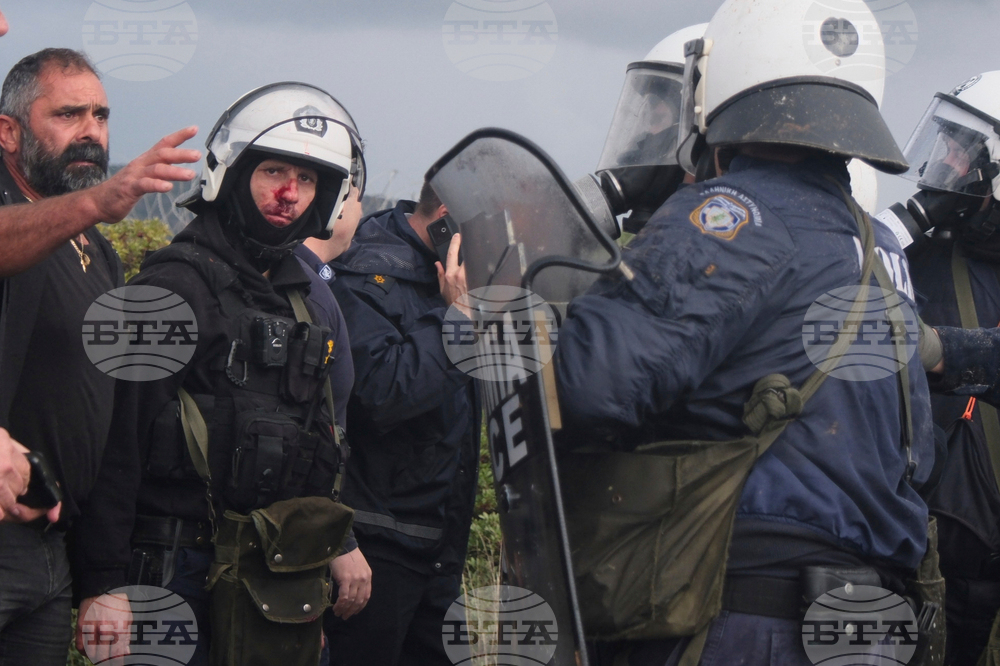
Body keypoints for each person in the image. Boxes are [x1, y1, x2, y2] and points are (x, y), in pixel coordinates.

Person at [552, 0, 939, 663]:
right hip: (871, 626)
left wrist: (531, 320)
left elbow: (592, 384)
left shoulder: (732, 214)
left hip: (750, 618)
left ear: (725, 73)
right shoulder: (869, 249)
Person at [117, 82, 370, 666]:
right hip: (170, 575)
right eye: (274, 171)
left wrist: (317, 566)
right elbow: (115, 445)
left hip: (272, 579)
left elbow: (317, 443)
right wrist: (103, 585)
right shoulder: (172, 285)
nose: (289, 193)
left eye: (307, 180)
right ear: (233, 172)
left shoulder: (305, 300)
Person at [0, 47, 190, 665]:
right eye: (69, 114)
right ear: (9, 131)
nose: (91, 133)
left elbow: (112, 426)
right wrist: (96, 202)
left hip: (54, 549)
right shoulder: (16, 216)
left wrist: (100, 579)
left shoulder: (100, 256)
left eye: (102, 116)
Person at [324, 182, 479, 666]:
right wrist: (456, 321)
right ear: (449, 219)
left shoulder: (459, 281)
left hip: (437, 544)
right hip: (375, 547)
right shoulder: (366, 272)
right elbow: (381, 394)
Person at [898, 71, 1000, 666]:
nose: (949, 163)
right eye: (949, 143)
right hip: (936, 570)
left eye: (966, 150)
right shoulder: (914, 263)